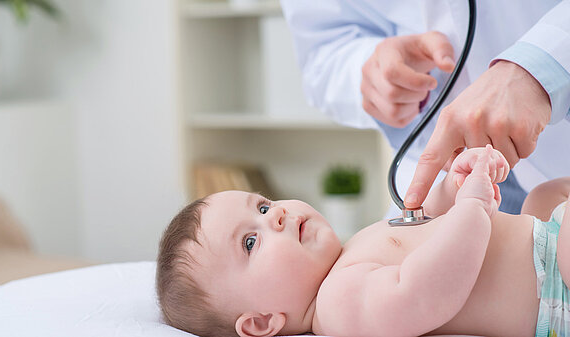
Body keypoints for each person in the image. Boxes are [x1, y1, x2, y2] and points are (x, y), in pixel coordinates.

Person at [156, 145, 570, 337]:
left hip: (545, 248)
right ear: (263, 321)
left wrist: (453, 186)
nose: (276, 214)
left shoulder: (349, 253)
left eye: (262, 207)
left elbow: (426, 226)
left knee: (545, 195)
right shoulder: (337, 305)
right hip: (553, 288)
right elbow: (424, 292)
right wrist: (473, 209)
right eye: (250, 241)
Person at [280, 0, 570, 216]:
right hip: (445, 164)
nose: (279, 218)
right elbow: (323, 49)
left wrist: (544, 63)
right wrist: (369, 71)